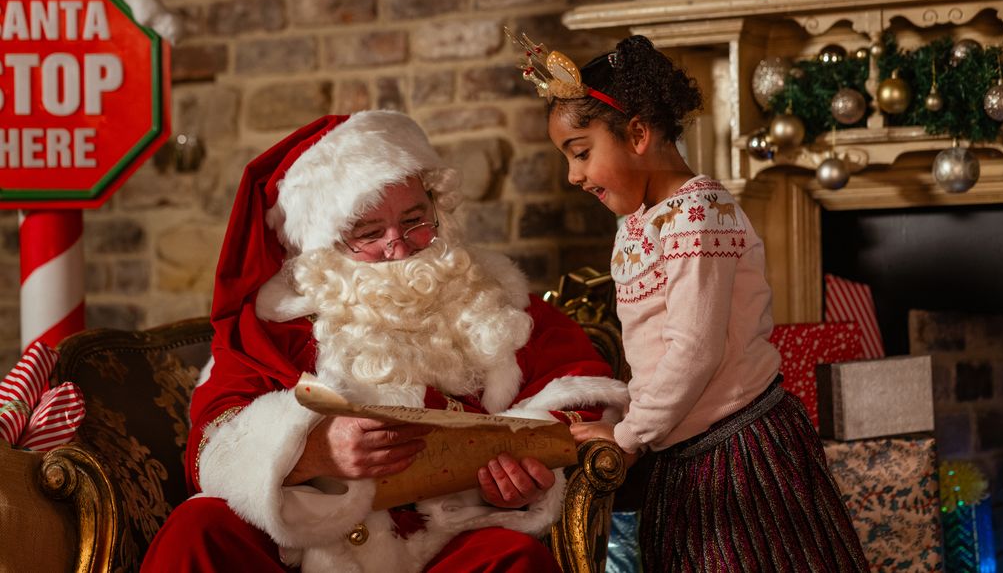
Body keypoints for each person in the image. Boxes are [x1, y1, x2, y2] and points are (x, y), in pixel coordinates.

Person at [141, 110, 629, 572]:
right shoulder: (276, 322)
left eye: (416, 219)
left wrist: (520, 479)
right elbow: (214, 443)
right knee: (197, 529)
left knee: (512, 560)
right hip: (300, 552)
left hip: (436, 547)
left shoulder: (493, 294)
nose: (399, 244)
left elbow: (579, 393)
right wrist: (307, 454)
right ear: (323, 245)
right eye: (369, 232)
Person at [521, 33, 869, 571]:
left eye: (582, 153)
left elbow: (695, 349)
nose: (574, 176)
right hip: (682, 449)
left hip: (741, 450)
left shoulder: (697, 212)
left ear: (637, 133)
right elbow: (652, 350)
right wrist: (632, 423)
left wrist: (630, 436)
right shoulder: (637, 222)